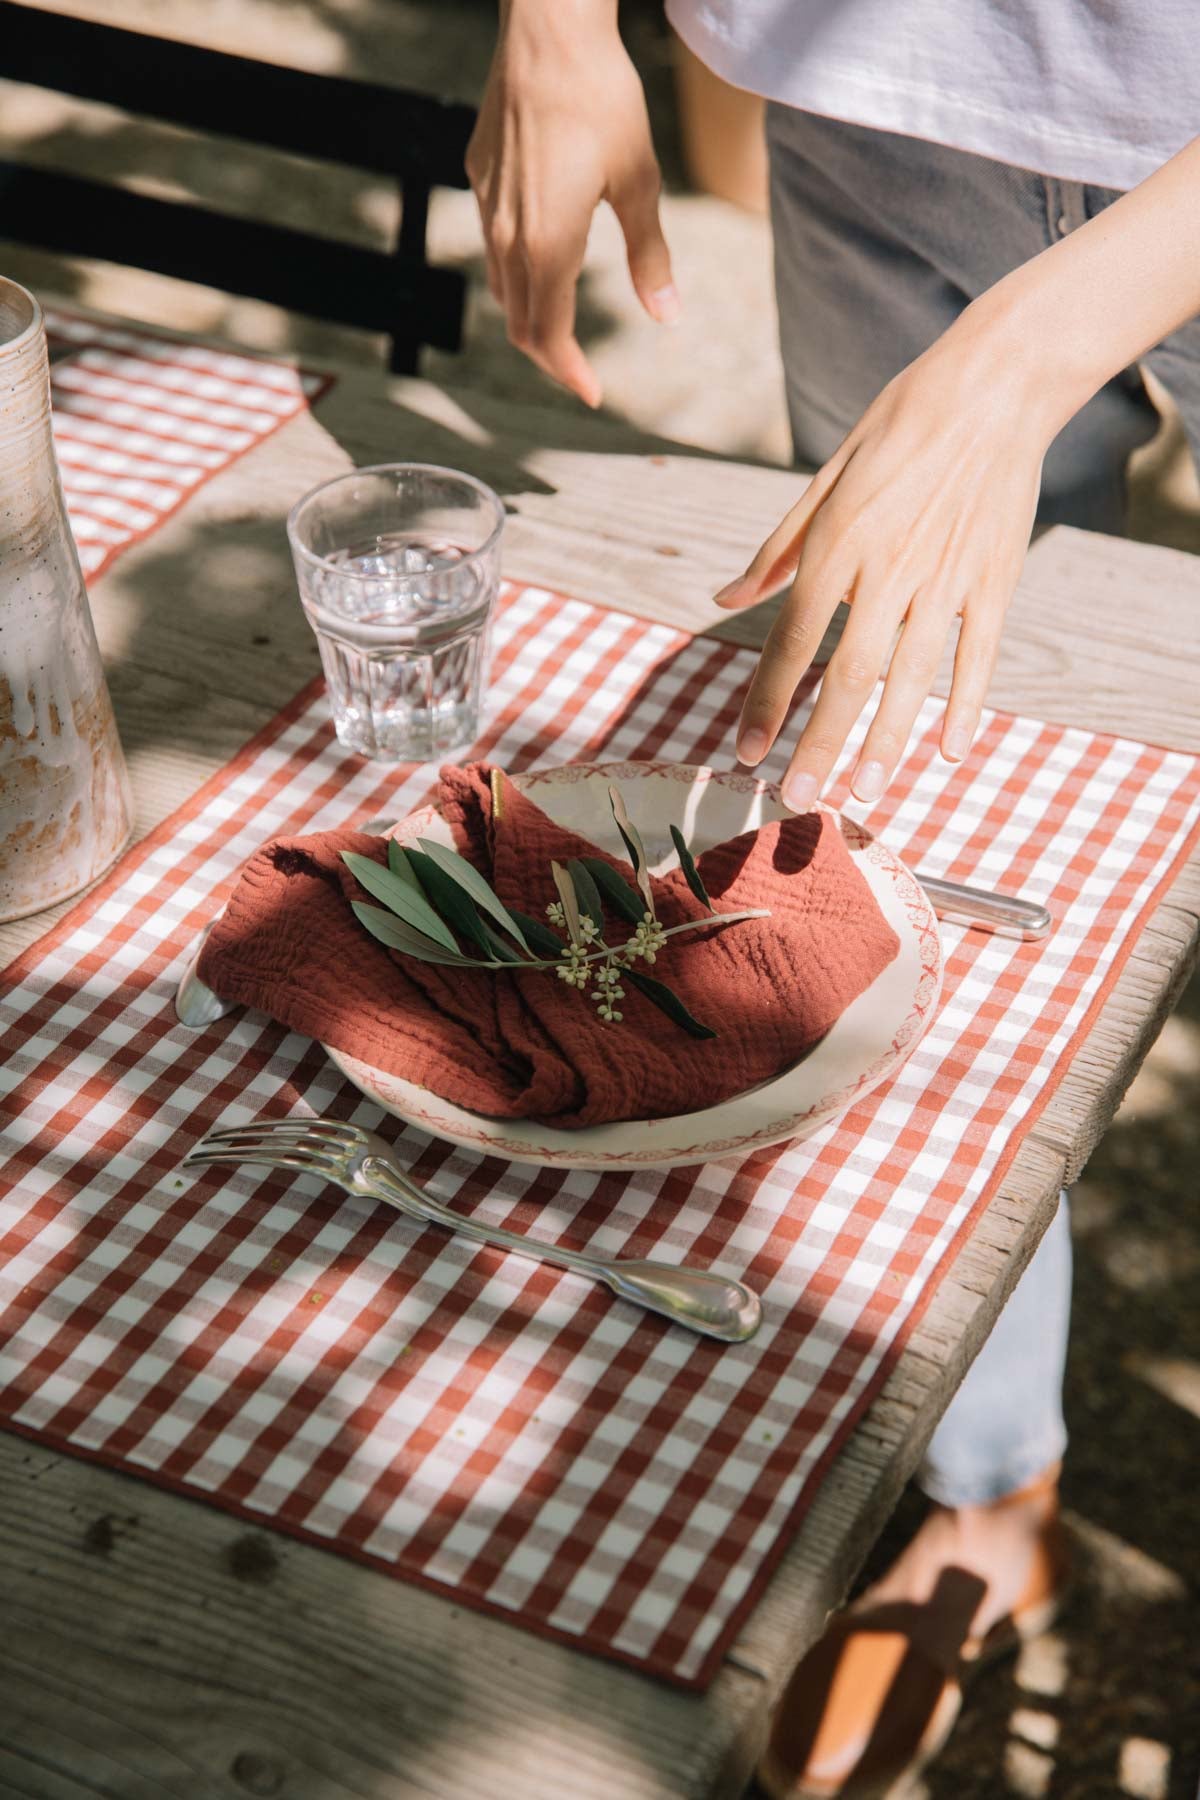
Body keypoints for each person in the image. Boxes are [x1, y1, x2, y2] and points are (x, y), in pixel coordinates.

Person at [465, 5, 1200, 1792]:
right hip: (880, 90)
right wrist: (554, 23)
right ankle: (993, 1495)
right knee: (899, 830)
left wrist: (1021, 357)